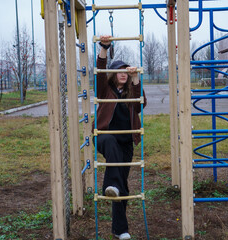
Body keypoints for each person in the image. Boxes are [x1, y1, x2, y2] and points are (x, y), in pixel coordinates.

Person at [93, 35, 147, 240]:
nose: (123, 74)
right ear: (113, 74)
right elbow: (99, 72)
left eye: (126, 71)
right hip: (104, 136)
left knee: (121, 187)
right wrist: (104, 48)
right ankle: (111, 184)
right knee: (111, 149)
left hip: (126, 143)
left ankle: (120, 229)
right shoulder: (104, 90)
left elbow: (140, 106)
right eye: (119, 71)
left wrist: (136, 79)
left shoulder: (131, 93)